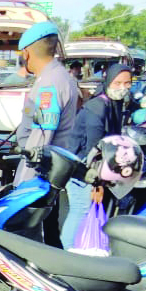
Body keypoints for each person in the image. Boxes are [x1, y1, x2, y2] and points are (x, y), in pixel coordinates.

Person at [13, 21, 80, 246]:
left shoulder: (50, 84)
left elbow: (41, 138)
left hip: (40, 179)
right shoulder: (50, 78)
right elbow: (30, 120)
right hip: (47, 176)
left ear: (26, 53)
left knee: (36, 244)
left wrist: (23, 185)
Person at [63, 63, 135, 248]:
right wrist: (97, 183)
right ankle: (69, 250)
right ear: (109, 81)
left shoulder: (114, 104)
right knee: (81, 208)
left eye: (127, 83)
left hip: (91, 167)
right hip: (82, 167)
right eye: (118, 82)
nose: (123, 87)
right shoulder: (98, 108)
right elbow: (95, 151)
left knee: (85, 209)